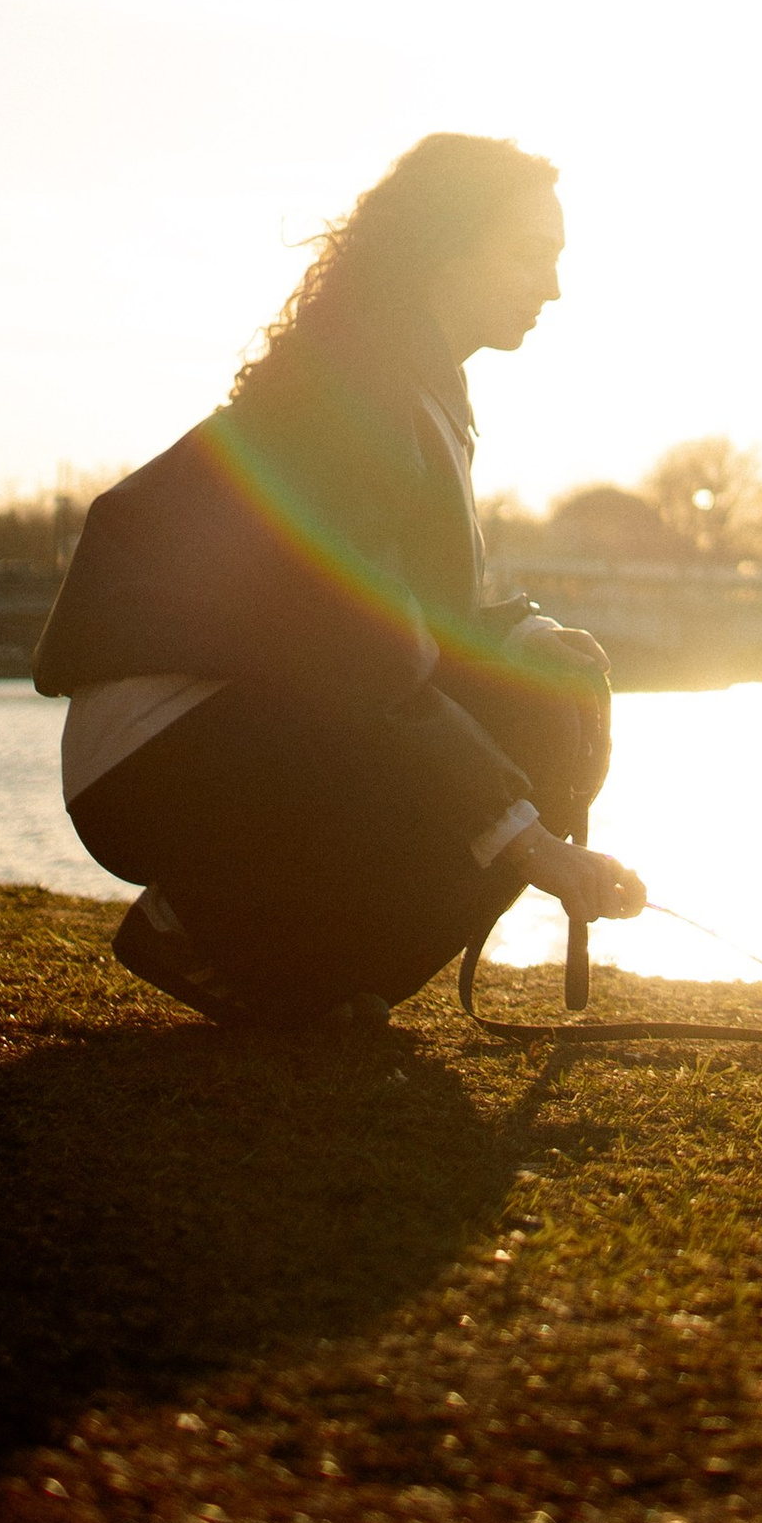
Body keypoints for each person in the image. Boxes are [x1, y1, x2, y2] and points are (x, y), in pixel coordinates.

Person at [35, 131, 645, 1026]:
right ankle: (210, 935)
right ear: (447, 245)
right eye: (531, 254)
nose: (553, 286)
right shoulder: (358, 383)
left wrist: (528, 638)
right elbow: (357, 642)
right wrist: (525, 837)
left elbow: (402, 617)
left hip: (246, 710)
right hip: (164, 740)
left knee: (550, 689)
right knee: (528, 726)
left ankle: (282, 967)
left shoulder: (404, 373)